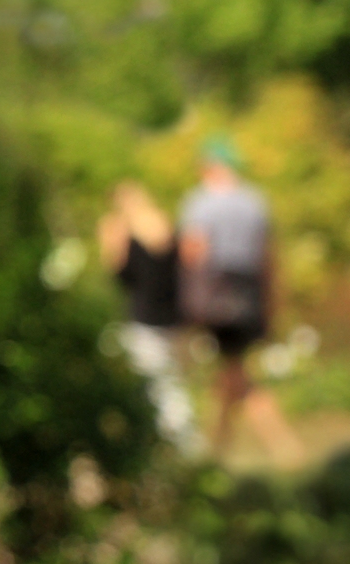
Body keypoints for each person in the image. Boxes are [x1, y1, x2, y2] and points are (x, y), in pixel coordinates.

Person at [178, 137, 303, 465]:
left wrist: (186, 301)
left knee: (236, 375)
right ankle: (214, 454)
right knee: (230, 373)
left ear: (210, 167)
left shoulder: (201, 202)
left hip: (217, 295)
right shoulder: (256, 202)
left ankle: (285, 450)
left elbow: (194, 250)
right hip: (251, 296)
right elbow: (268, 259)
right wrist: (272, 304)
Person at [98, 181, 201, 455]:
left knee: (159, 388)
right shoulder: (168, 226)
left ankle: (185, 449)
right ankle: (180, 446)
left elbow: (118, 275)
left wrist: (111, 240)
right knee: (171, 383)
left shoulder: (123, 234)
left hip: (144, 320)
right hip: (175, 318)